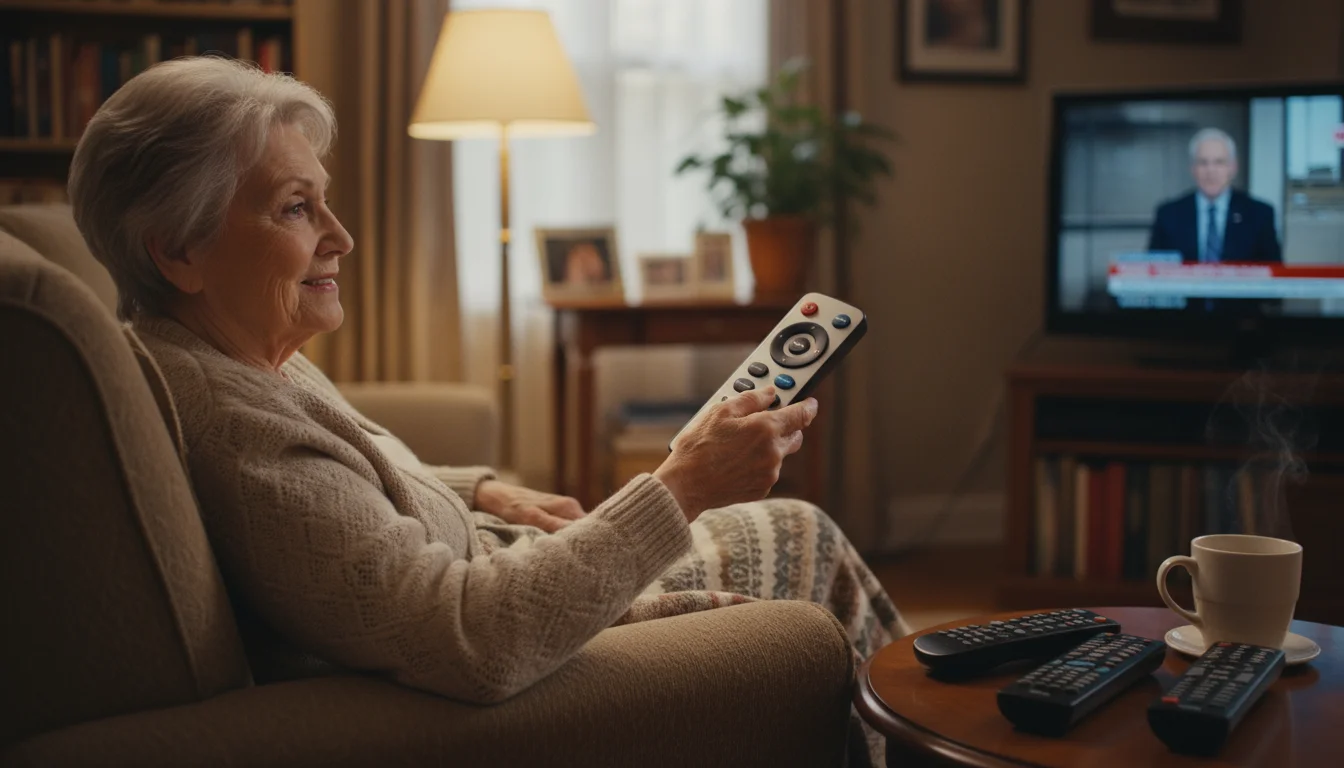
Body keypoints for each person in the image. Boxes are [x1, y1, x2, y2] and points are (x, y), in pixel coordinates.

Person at [68, 57, 907, 766]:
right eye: (296, 207)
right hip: (513, 632)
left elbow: (345, 482)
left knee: (799, 536)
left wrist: (482, 489)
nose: (341, 236)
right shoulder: (233, 425)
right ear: (178, 250)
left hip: (505, 559)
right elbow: (473, 637)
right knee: (804, 541)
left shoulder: (230, 357)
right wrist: (681, 485)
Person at [1148, 127, 1282, 265]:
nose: (1210, 171)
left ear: (1233, 167)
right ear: (1193, 169)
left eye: (1219, 162)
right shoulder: (1168, 215)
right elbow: (1152, 272)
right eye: (1203, 163)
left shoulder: (1260, 214)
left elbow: (1274, 274)